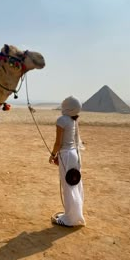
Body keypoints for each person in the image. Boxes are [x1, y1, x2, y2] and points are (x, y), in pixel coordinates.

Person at [49, 95, 86, 227]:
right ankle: (74, 215)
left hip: (66, 155)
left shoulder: (61, 120)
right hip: (75, 154)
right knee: (75, 184)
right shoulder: (74, 119)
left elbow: (58, 143)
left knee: (68, 187)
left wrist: (53, 155)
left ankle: (70, 220)